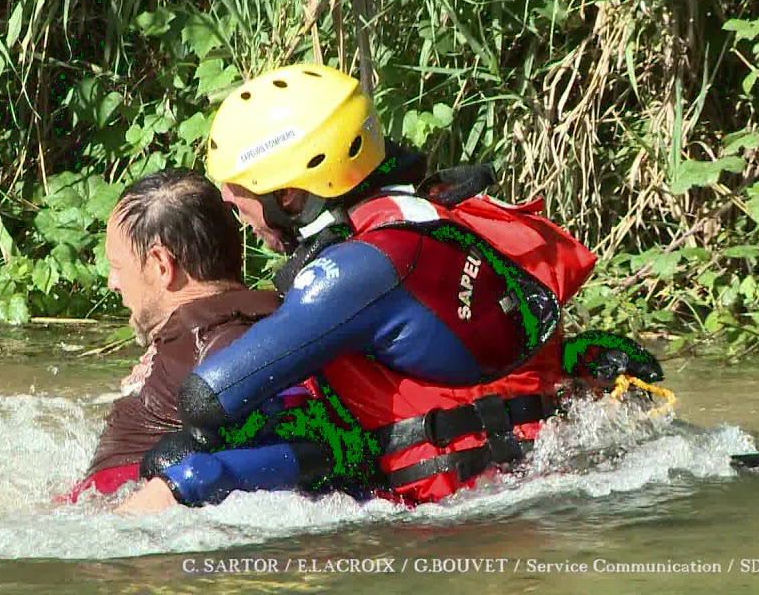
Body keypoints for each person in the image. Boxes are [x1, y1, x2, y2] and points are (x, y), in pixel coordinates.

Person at [118, 64, 608, 513]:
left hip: (485, 503)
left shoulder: (363, 269)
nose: (228, 200)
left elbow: (208, 398)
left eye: (240, 189)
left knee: (185, 468)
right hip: (526, 459)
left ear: (289, 194)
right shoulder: (426, 214)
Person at [60, 168, 280, 502]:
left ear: (161, 264)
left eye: (117, 266)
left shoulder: (224, 343)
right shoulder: (240, 322)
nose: (112, 282)